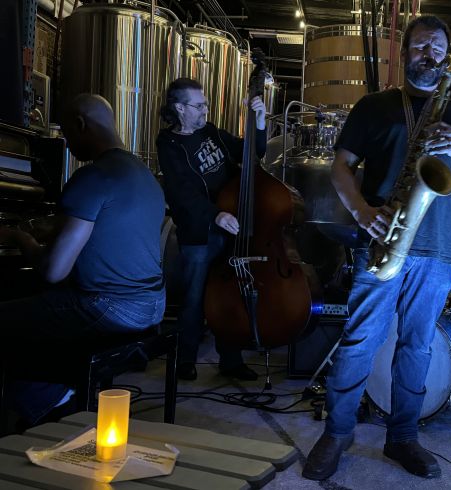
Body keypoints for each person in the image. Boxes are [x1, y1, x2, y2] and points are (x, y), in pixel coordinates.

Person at [302, 15, 451, 481]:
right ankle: (338, 432)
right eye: (421, 46)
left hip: (439, 248)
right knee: (361, 339)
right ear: (403, 53)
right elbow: (340, 167)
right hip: (383, 240)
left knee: (418, 346)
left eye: (438, 47)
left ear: (447, 55)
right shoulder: (374, 106)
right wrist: (364, 212)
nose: (430, 54)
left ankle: (403, 437)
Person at [0, 94, 166, 427]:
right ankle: (48, 389)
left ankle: (44, 398)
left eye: (66, 132)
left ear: (80, 124)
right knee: (37, 308)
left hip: (110, 307)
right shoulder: (144, 175)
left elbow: (53, 271)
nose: (66, 142)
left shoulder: (92, 177)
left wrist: (18, 237)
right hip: (153, 305)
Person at [156, 78, 267, 381]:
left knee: (228, 295)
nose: (205, 109)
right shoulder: (168, 143)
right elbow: (181, 191)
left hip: (230, 228)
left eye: (205, 104)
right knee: (193, 299)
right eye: (199, 105)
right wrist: (215, 215)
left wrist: (259, 119)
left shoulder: (212, 132)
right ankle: (185, 359)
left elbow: (252, 153)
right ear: (179, 107)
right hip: (199, 232)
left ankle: (230, 361)